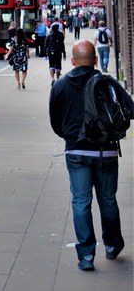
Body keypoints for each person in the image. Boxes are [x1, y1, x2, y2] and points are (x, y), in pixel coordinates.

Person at [48, 40, 125, 271]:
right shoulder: (107, 84)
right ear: (94, 61)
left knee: (81, 202)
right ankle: (112, 245)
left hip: (77, 152)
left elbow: (55, 121)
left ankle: (87, 256)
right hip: (106, 151)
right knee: (108, 200)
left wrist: (70, 138)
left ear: (72, 61)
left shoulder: (60, 85)